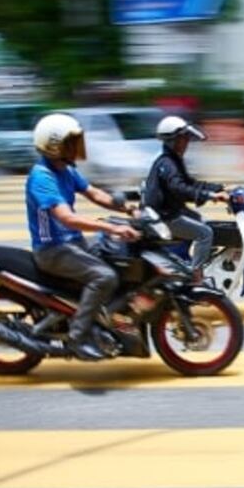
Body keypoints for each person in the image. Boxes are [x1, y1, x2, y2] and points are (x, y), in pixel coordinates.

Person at [27, 113, 141, 361]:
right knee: (104, 277)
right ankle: (78, 338)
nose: (77, 147)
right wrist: (111, 228)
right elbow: (67, 218)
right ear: (54, 146)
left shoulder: (66, 170)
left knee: (120, 258)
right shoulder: (42, 177)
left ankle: (108, 321)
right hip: (52, 250)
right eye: (71, 143)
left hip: (73, 244)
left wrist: (128, 208)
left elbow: (95, 194)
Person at [143, 115, 229, 283]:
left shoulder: (173, 160)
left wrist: (219, 188)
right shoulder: (168, 164)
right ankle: (197, 276)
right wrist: (210, 196)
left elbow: (190, 183)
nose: (187, 142)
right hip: (164, 217)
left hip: (169, 211)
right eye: (183, 138)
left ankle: (185, 260)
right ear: (172, 140)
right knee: (205, 233)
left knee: (203, 221)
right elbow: (179, 188)